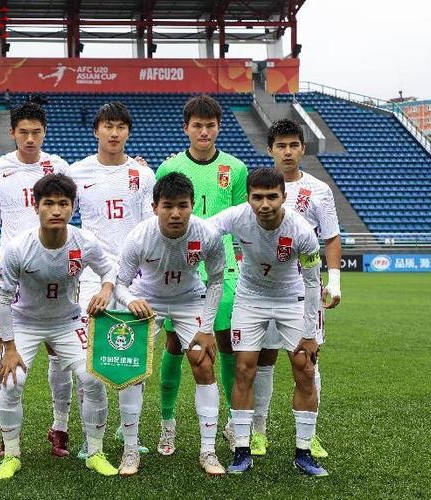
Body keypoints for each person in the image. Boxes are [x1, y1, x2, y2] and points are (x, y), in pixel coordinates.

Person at [0, 174, 118, 479]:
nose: (56, 210)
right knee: (12, 382)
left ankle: (95, 452)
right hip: (24, 323)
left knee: (93, 378)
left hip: (67, 321)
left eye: (63, 203)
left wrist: (105, 289)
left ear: (73, 207)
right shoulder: (18, 247)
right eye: (49, 203)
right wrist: (9, 348)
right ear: (36, 207)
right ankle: (11, 455)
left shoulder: (84, 242)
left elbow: (109, 269)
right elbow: (3, 299)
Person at [208, 168, 327, 477]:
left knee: (305, 370)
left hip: (291, 299)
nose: (264, 205)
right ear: (248, 198)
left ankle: (304, 452)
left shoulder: (301, 230)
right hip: (249, 298)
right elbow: (203, 230)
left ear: (284, 197)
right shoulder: (237, 216)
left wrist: (310, 333)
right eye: (257, 197)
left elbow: (313, 284)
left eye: (272, 197)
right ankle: (242, 449)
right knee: (244, 369)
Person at [154, 94, 248, 455]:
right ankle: (167, 424)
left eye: (210, 125)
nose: (204, 131)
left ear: (219, 127)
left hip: (224, 269)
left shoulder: (235, 169)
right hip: (180, 267)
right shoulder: (169, 167)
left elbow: (242, 221)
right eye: (197, 125)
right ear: (186, 128)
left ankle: (231, 422)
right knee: (175, 345)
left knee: (225, 343)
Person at [117, 172, 226, 475]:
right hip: (146, 301)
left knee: (203, 364)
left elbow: (216, 281)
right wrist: (130, 301)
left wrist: (206, 328)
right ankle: (130, 450)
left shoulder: (208, 235)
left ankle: (208, 451)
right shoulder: (139, 236)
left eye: (182, 206)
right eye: (168, 206)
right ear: (155, 207)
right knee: (131, 370)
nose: (175, 213)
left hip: (189, 300)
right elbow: (120, 283)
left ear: (192, 206)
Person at [68, 102, 156, 473]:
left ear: (128, 131)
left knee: (133, 356)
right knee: (90, 363)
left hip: (134, 275)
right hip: (93, 275)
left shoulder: (143, 173)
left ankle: (128, 432)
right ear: (96, 130)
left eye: (121, 126)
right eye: (108, 126)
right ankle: (92, 439)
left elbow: (151, 224)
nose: (114, 132)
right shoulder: (75, 172)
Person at [0, 102, 74, 457]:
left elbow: (72, 203)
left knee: (60, 354)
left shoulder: (59, 166)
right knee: (8, 353)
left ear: (45, 132)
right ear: (12, 133)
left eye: (36, 132)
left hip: (56, 267)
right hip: (15, 269)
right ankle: (7, 435)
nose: (30, 138)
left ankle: (60, 427)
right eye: (23, 132)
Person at [249, 119, 341, 458]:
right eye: (281, 146)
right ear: (270, 150)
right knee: (263, 358)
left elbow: (331, 237)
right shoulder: (257, 186)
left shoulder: (319, 190)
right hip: (262, 287)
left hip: (304, 289)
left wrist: (335, 281)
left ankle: (309, 435)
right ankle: (258, 433)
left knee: (307, 360)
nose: (287, 152)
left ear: (302, 148)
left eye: (293, 145)